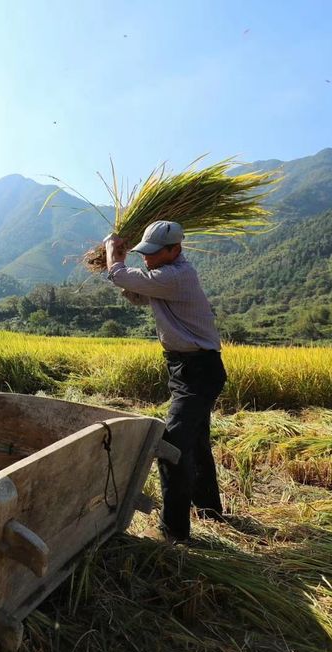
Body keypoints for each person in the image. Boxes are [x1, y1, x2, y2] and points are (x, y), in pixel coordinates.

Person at [103, 220, 227, 543]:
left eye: (153, 254)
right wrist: (118, 266)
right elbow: (137, 294)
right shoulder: (166, 276)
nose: (146, 258)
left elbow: (120, 275)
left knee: (170, 445)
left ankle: (173, 532)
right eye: (144, 253)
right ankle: (209, 510)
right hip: (186, 370)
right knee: (196, 442)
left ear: (175, 250)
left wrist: (112, 256)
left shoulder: (177, 276)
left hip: (198, 372)